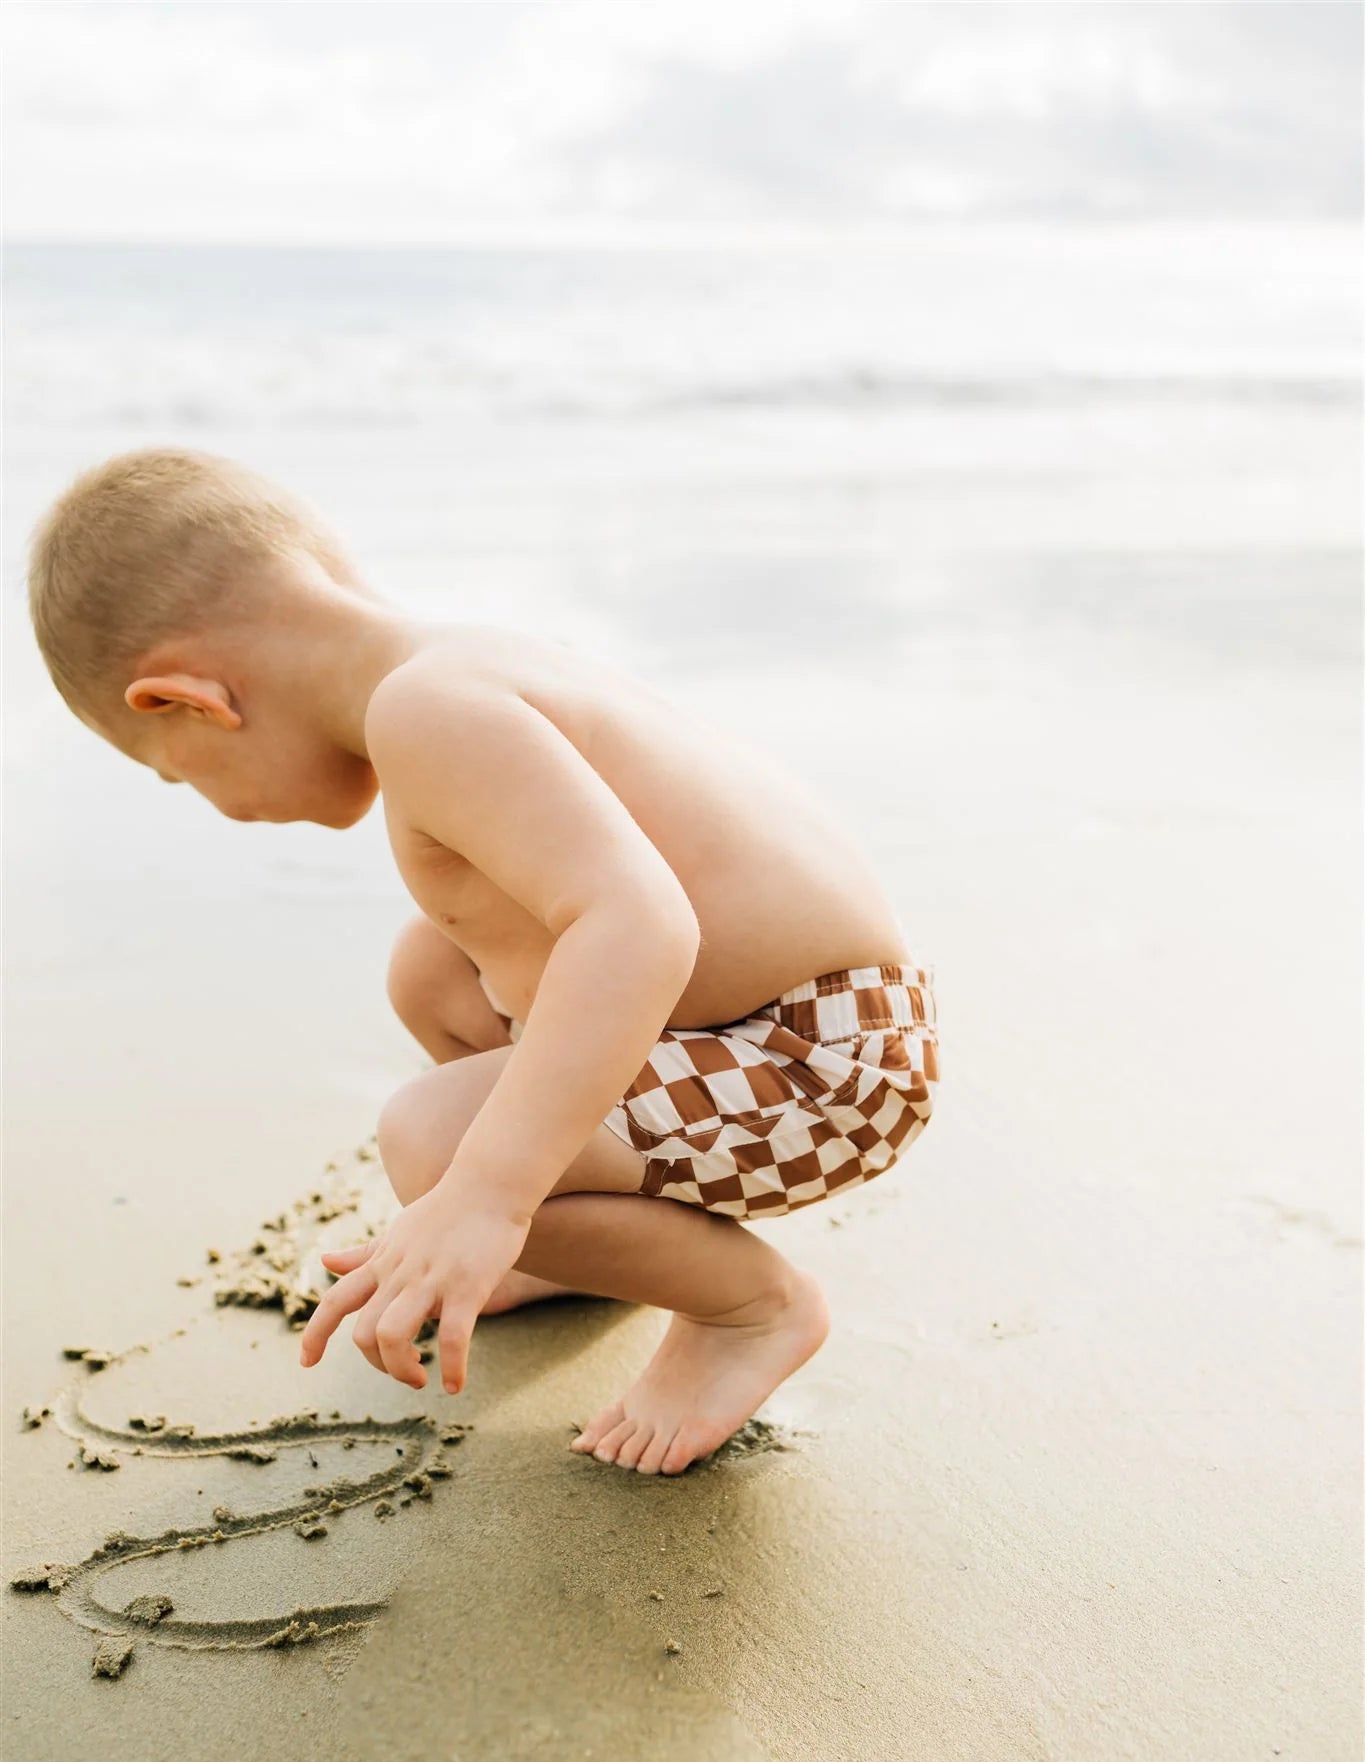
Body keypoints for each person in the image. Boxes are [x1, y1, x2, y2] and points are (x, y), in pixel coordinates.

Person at [27, 447, 940, 1475]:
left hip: (822, 1070)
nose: (219, 806)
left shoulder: (428, 712)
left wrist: (487, 1194)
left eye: (179, 776)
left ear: (186, 701)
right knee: (434, 968)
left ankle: (748, 1309)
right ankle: (584, 1249)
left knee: (433, 1141)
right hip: (796, 1034)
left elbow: (640, 923)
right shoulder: (459, 663)